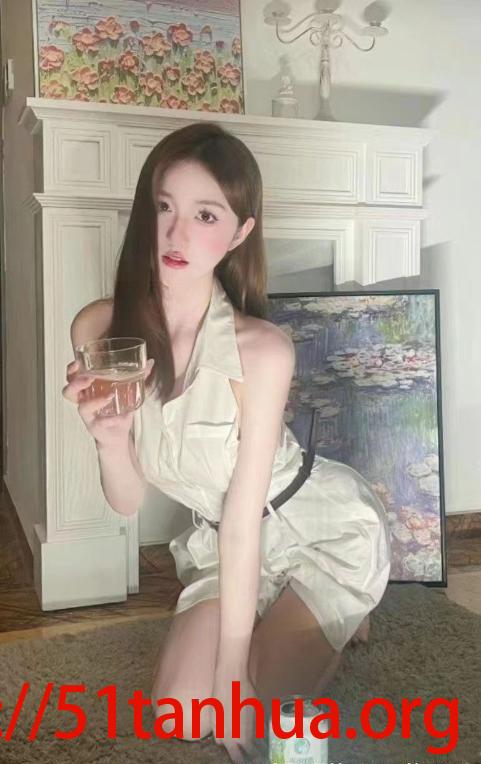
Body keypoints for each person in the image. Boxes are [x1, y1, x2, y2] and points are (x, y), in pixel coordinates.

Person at [62, 121, 391, 763]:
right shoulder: (100, 330)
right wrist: (108, 438)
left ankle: (341, 608)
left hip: (313, 530)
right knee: (184, 715)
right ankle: (289, 625)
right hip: (222, 546)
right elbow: (127, 502)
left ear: (240, 233)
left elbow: (244, 520)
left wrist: (231, 675)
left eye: (205, 215)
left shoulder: (262, 351)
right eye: (164, 207)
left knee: (247, 706)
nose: (176, 234)